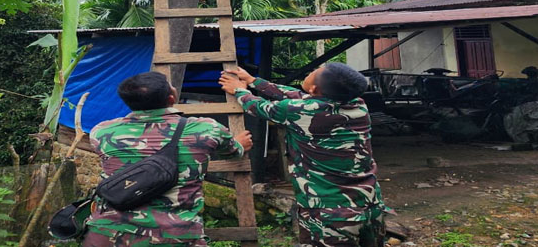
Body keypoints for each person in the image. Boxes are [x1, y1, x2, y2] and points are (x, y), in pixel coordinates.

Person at [219, 64, 388, 247]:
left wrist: (239, 91)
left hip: (328, 212)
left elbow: (259, 107)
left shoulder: (296, 111)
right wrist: (254, 81)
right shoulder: (359, 106)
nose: (310, 72)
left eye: (313, 72)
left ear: (315, 88)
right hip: (370, 204)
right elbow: (299, 97)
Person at [83, 71, 253, 246]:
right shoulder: (206, 129)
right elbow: (233, 152)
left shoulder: (101, 132)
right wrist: (240, 144)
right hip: (177, 237)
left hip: (107, 234)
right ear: (171, 98)